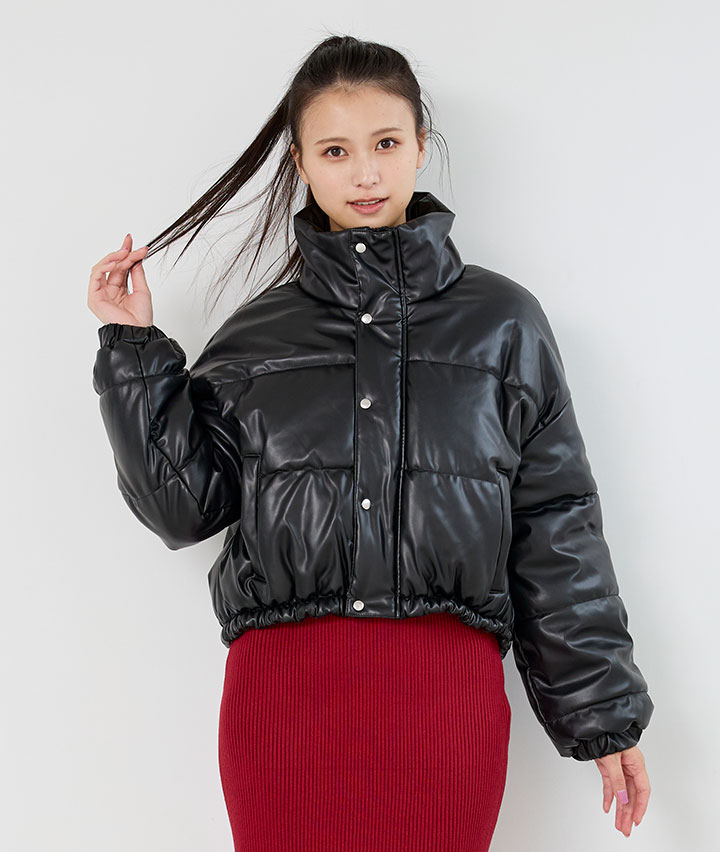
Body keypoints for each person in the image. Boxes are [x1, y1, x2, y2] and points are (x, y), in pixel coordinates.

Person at [87, 34, 653, 851]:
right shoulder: (255, 339)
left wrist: (602, 715)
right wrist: (133, 349)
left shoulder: (504, 325)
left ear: (421, 145)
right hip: (283, 702)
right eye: (335, 150)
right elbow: (184, 511)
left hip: (445, 701)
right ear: (301, 162)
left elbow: (555, 525)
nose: (364, 173)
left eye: (385, 143)